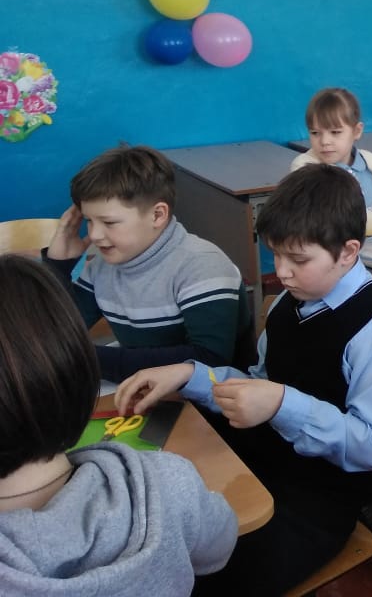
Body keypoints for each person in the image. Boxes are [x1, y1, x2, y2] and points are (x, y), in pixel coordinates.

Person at [115, 164, 372, 596]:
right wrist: (189, 373)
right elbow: (255, 382)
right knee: (156, 522)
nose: (282, 271)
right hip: (259, 464)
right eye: (275, 254)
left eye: (298, 259)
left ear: (348, 252)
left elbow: (371, 446)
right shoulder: (285, 305)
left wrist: (281, 404)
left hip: (319, 502)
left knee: (200, 578)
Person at [0, 254, 237, 595]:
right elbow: (217, 549)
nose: (97, 235)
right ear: (80, 375)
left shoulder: (201, 265)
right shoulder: (169, 483)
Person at [44, 145, 247, 383]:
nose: (95, 235)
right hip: (143, 390)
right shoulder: (102, 266)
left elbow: (209, 361)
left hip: (211, 400)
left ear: (157, 215)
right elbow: (51, 334)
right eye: (89, 220)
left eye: (109, 223)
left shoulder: (202, 266)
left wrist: (84, 359)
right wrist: (57, 265)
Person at [291, 87, 372, 231]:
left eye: (335, 132)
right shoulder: (305, 168)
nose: (324, 141)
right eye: (315, 133)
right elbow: (333, 220)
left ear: (357, 131)